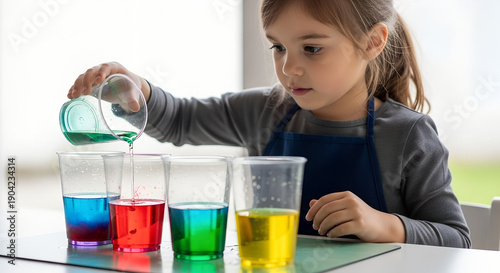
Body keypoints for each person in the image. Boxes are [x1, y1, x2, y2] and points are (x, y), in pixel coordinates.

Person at [67, 0, 470, 248]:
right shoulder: (266, 110)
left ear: (373, 41)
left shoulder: (408, 135)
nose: (288, 67)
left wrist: (385, 225)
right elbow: (179, 121)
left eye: (312, 48)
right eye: (278, 46)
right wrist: (135, 90)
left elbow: (457, 240)